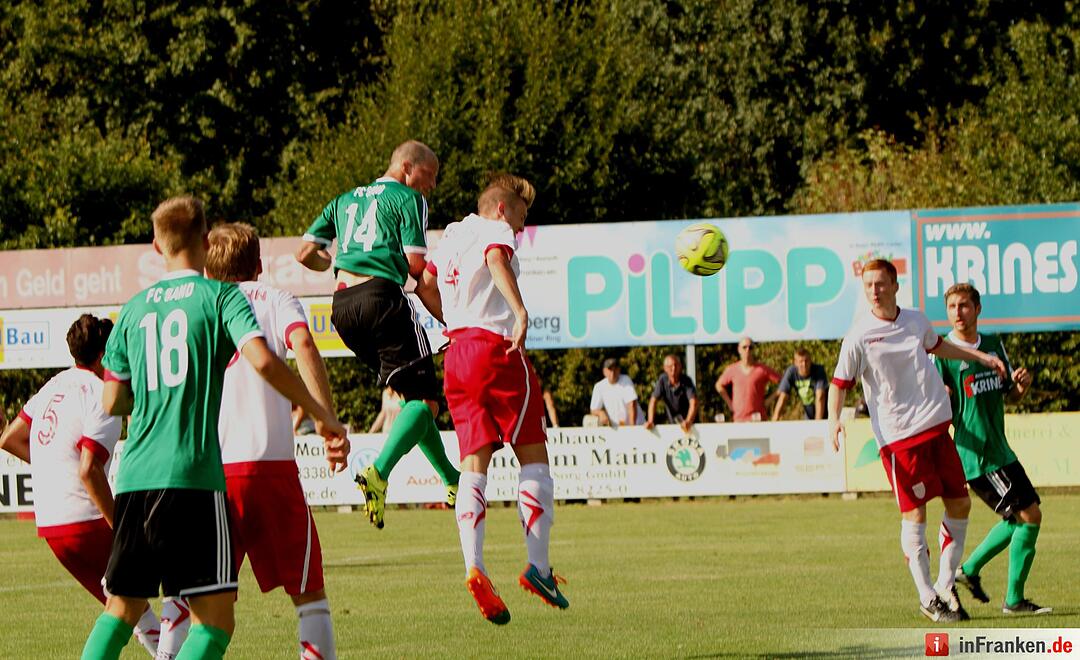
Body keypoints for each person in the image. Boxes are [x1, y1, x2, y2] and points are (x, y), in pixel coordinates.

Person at [80, 196, 346, 660]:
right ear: (203, 241)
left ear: (156, 246)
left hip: (136, 476)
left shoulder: (133, 310)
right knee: (222, 619)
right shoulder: (219, 298)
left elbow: (113, 400)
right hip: (200, 477)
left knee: (122, 609)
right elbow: (264, 358)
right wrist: (321, 413)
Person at [422, 173, 569, 625]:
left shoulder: (450, 235)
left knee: (473, 464)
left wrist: (454, 321)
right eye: (522, 216)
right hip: (496, 350)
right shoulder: (495, 229)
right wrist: (520, 311)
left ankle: (474, 565)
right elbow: (495, 258)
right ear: (503, 208)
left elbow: (424, 285)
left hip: (457, 355)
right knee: (534, 457)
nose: (521, 228)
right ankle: (539, 568)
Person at [828, 258, 1006, 624]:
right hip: (900, 441)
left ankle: (944, 584)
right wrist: (832, 420)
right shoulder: (858, 335)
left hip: (938, 431)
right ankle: (927, 596)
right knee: (915, 516)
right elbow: (839, 383)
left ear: (895, 285)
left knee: (960, 505)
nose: (874, 291)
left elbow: (940, 347)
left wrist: (980, 357)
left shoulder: (915, 320)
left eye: (880, 284)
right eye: (868, 286)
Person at [295, 140, 460, 529]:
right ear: (408, 167)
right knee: (426, 402)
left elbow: (304, 253)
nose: (432, 186)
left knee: (414, 402)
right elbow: (418, 269)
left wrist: (334, 263)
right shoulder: (407, 199)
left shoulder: (343, 200)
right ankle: (378, 473)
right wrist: (452, 321)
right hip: (380, 299)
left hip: (343, 309)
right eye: (430, 176)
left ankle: (451, 480)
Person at [206, 222, 350, 658]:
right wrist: (327, 419)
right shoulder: (276, 298)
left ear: (209, 270)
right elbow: (302, 343)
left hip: (208, 472)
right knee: (309, 595)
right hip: (269, 466)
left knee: (197, 602)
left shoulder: (201, 307)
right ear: (259, 265)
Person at [0, 315, 171, 657]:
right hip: (83, 519)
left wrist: (55, 464)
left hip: (51, 525)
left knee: (128, 605)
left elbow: (9, 438)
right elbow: (89, 470)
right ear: (104, 356)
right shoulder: (100, 394)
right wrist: (122, 529)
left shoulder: (54, 385)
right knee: (150, 592)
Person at [935, 283, 1050, 615]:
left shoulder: (993, 344)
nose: (958, 312)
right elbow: (937, 403)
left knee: (1024, 518)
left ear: (978, 309)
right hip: (978, 455)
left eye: (965, 306)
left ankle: (970, 571)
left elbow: (1008, 395)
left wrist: (1020, 387)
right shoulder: (942, 353)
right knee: (1029, 516)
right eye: (952, 306)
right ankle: (1012, 599)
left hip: (1001, 451)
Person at [716, 337, 780, 422]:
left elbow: (784, 383)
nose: (747, 350)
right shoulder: (732, 369)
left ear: (754, 350)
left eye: (751, 347)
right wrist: (730, 404)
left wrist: (770, 399)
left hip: (758, 420)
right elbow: (719, 385)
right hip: (739, 420)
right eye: (744, 347)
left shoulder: (762, 369)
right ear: (739, 350)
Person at [645, 354, 698, 434]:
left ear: (680, 367)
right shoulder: (662, 380)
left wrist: (688, 421)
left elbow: (693, 402)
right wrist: (650, 421)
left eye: (676, 365)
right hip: (672, 425)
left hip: (692, 426)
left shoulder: (687, 380)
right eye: (670, 366)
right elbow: (653, 401)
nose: (673, 368)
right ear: (665, 368)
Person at [772, 348, 828, 421]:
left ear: (810, 360)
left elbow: (820, 396)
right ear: (795, 362)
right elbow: (783, 396)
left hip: (826, 414)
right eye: (801, 361)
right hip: (808, 414)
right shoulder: (791, 372)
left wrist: (817, 422)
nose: (804, 364)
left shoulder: (818, 370)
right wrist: (774, 421)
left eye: (806, 361)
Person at [589, 358, 644, 428]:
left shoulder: (626, 380)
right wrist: (600, 413)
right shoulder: (599, 387)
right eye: (610, 369)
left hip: (637, 427)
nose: (613, 372)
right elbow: (593, 409)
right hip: (617, 430)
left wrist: (632, 428)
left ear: (619, 370)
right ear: (604, 371)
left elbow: (632, 404)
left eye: (615, 369)